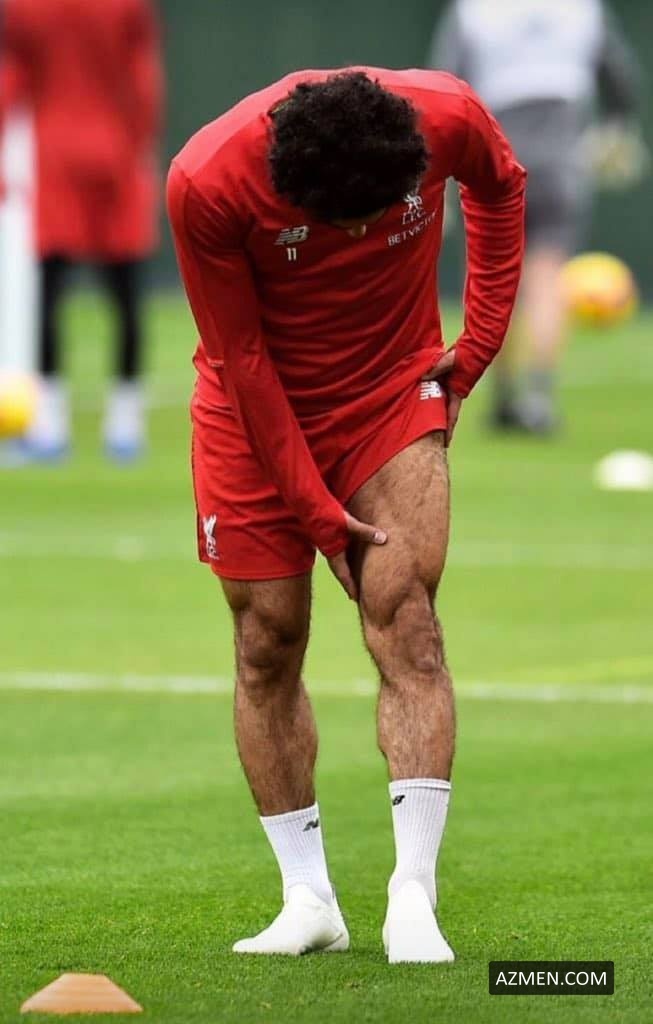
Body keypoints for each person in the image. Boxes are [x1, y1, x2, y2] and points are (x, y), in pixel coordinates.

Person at [168, 68, 525, 962]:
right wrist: (316, 513)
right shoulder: (206, 180)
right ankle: (308, 899)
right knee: (267, 639)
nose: (365, 234)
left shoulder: (446, 114)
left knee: (407, 623)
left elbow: (501, 187)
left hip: (390, 390)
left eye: (380, 216)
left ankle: (413, 893)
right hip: (254, 407)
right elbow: (241, 359)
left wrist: (477, 345)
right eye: (344, 223)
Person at [430, 0, 642, 433]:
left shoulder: (474, 10)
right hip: (560, 149)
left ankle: (503, 393)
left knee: (495, 273)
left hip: (495, 145)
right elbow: (621, 76)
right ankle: (539, 393)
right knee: (547, 271)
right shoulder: (581, 9)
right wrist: (617, 127)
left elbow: (442, 84)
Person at [0, 0, 164, 459]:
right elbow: (143, 77)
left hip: (56, 153)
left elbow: (12, 77)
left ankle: (50, 427)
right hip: (117, 153)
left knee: (50, 290)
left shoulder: (25, 7)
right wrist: (141, 143)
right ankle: (125, 427)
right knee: (126, 292)